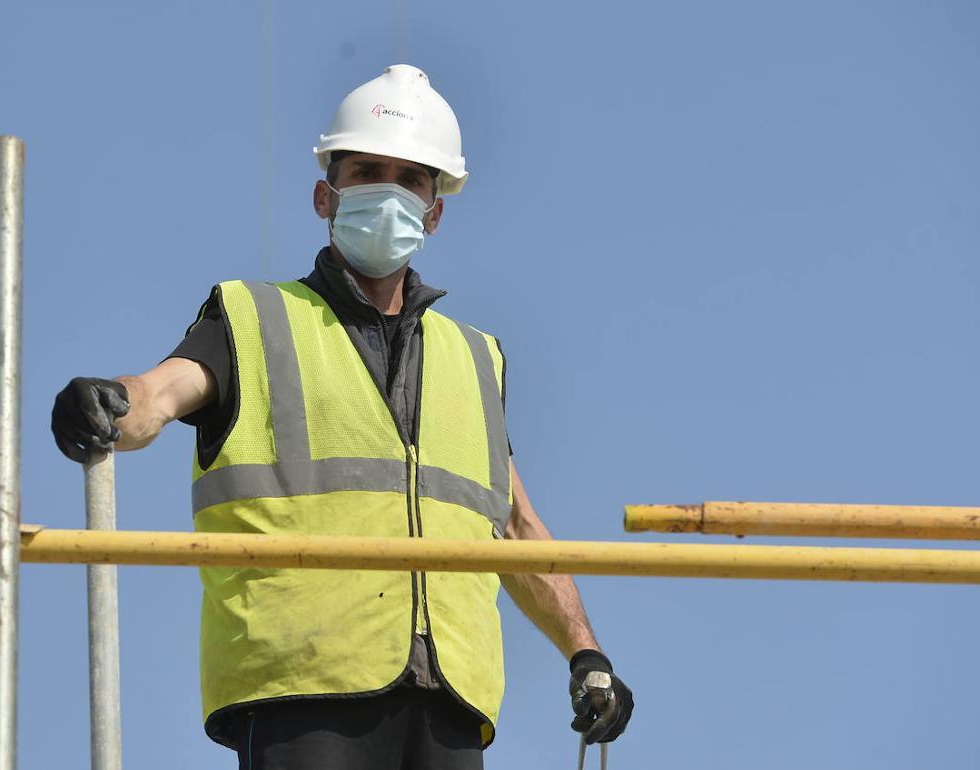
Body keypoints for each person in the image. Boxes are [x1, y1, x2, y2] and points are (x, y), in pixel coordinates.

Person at [52, 64, 633, 770]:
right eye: (367, 170)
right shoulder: (254, 320)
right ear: (327, 194)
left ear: (435, 209)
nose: (389, 190)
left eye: (411, 177)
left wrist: (584, 649)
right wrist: (110, 402)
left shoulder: (475, 359)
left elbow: (515, 526)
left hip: (448, 695)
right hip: (303, 684)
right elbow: (160, 394)